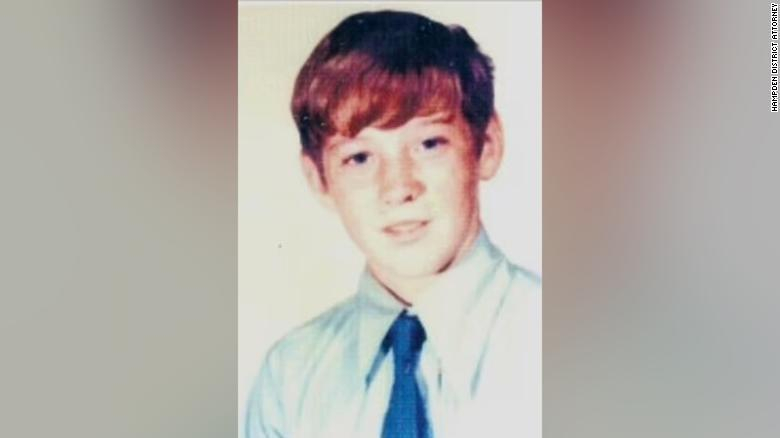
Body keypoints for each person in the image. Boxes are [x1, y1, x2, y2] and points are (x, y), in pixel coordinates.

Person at [246, 10, 540, 438]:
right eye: (359, 158)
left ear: (487, 146)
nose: (398, 188)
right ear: (319, 179)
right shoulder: (290, 379)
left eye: (429, 144)